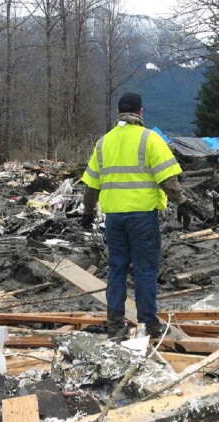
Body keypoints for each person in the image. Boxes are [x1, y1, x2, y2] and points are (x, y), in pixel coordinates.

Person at [80, 92, 200, 340]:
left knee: (116, 269)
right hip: (143, 217)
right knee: (145, 270)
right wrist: (183, 202)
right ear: (141, 112)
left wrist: (87, 212)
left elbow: (91, 186)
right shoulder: (150, 139)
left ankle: (114, 325)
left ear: (118, 113)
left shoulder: (103, 143)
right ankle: (149, 325)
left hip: (114, 218)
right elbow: (167, 179)